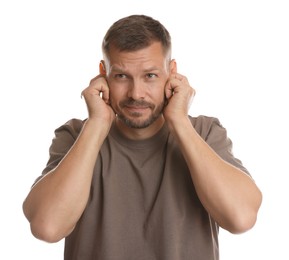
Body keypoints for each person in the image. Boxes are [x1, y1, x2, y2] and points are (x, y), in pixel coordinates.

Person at [22, 14, 262, 260]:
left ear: (172, 73)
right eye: (122, 76)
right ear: (103, 75)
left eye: (150, 76)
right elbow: (47, 227)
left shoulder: (204, 132)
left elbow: (241, 218)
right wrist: (96, 124)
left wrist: (179, 121)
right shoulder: (75, 136)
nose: (136, 94)